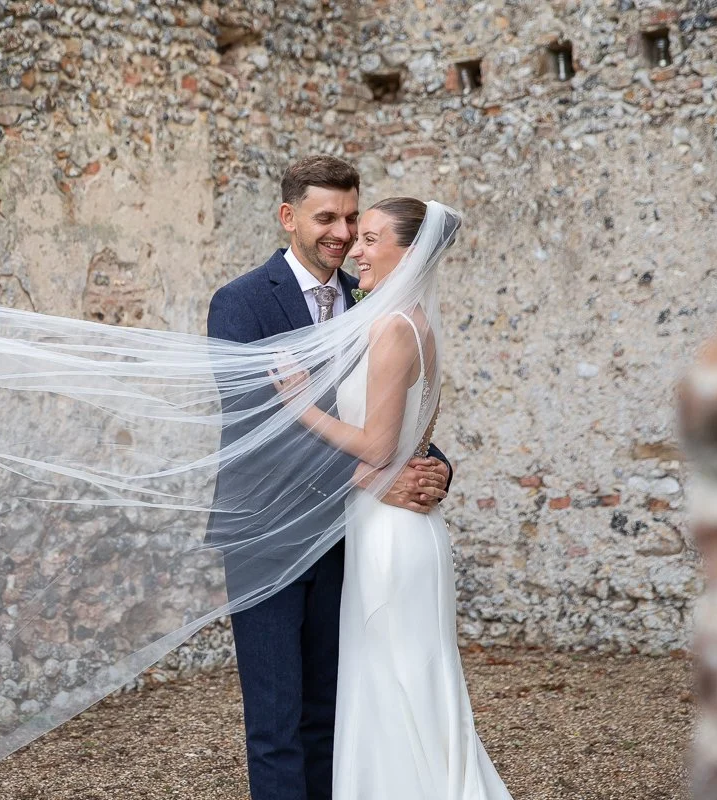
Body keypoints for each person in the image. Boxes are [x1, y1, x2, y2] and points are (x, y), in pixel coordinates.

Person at [206, 156, 453, 800]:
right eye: (326, 218)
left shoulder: (371, 297)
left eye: (351, 217)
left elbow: (390, 411)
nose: (341, 233)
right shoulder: (239, 305)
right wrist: (373, 478)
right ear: (288, 218)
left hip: (351, 541)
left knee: (333, 711)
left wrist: (430, 467)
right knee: (276, 720)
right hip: (267, 537)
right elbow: (257, 425)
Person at [271, 196, 512, 798]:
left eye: (372, 239)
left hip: (388, 533)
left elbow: (379, 449)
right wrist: (382, 472)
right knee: (410, 688)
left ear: (411, 254)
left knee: (394, 689)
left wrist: (300, 406)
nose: (356, 249)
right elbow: (407, 444)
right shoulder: (417, 325)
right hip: (405, 527)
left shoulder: (389, 327)